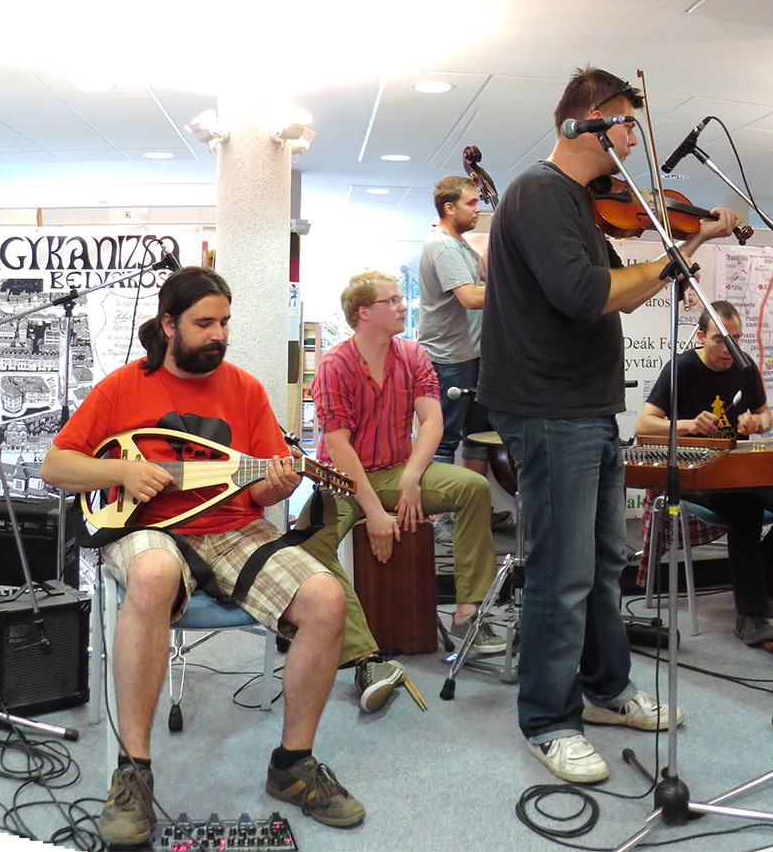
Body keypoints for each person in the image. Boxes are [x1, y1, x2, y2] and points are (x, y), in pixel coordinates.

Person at [42, 268, 368, 842]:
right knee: (153, 573)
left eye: (225, 322)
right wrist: (122, 472)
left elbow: (258, 492)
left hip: (232, 529)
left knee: (325, 597)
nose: (218, 334)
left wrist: (280, 484)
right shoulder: (123, 387)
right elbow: (56, 466)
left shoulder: (245, 389)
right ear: (169, 325)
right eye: (204, 323)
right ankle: (133, 772)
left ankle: (292, 765)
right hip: (147, 527)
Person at [483, 68, 733, 783]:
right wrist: (678, 252)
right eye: (626, 124)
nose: (632, 140)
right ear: (591, 120)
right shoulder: (538, 192)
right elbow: (587, 293)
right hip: (549, 407)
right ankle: (547, 720)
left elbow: (621, 294)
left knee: (600, 564)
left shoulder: (578, 203)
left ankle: (605, 690)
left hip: (586, 407)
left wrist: (689, 245)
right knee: (561, 572)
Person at [303, 271, 499, 669]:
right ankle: (361, 649)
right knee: (309, 544)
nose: (402, 306)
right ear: (363, 313)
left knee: (473, 488)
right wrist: (374, 511)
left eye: (400, 298)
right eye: (391, 300)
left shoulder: (413, 355)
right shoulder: (334, 364)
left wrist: (411, 477)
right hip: (340, 481)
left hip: (395, 470)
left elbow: (432, 422)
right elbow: (338, 445)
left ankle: (467, 613)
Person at [633, 301, 773, 646]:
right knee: (745, 509)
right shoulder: (681, 368)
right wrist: (688, 424)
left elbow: (766, 416)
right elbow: (644, 425)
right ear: (701, 337)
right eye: (720, 339)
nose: (730, 348)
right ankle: (750, 615)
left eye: (736, 339)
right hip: (694, 474)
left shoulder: (745, 367)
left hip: (737, 473)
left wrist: (757, 422)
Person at [417, 175, 489, 463]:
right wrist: (513, 289)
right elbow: (470, 297)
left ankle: (474, 494)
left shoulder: (459, 244)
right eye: (471, 203)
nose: (478, 209)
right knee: (444, 440)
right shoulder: (443, 246)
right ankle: (440, 495)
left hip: (469, 355)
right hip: (450, 361)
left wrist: (502, 235)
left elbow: (484, 272)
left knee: (477, 436)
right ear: (449, 208)